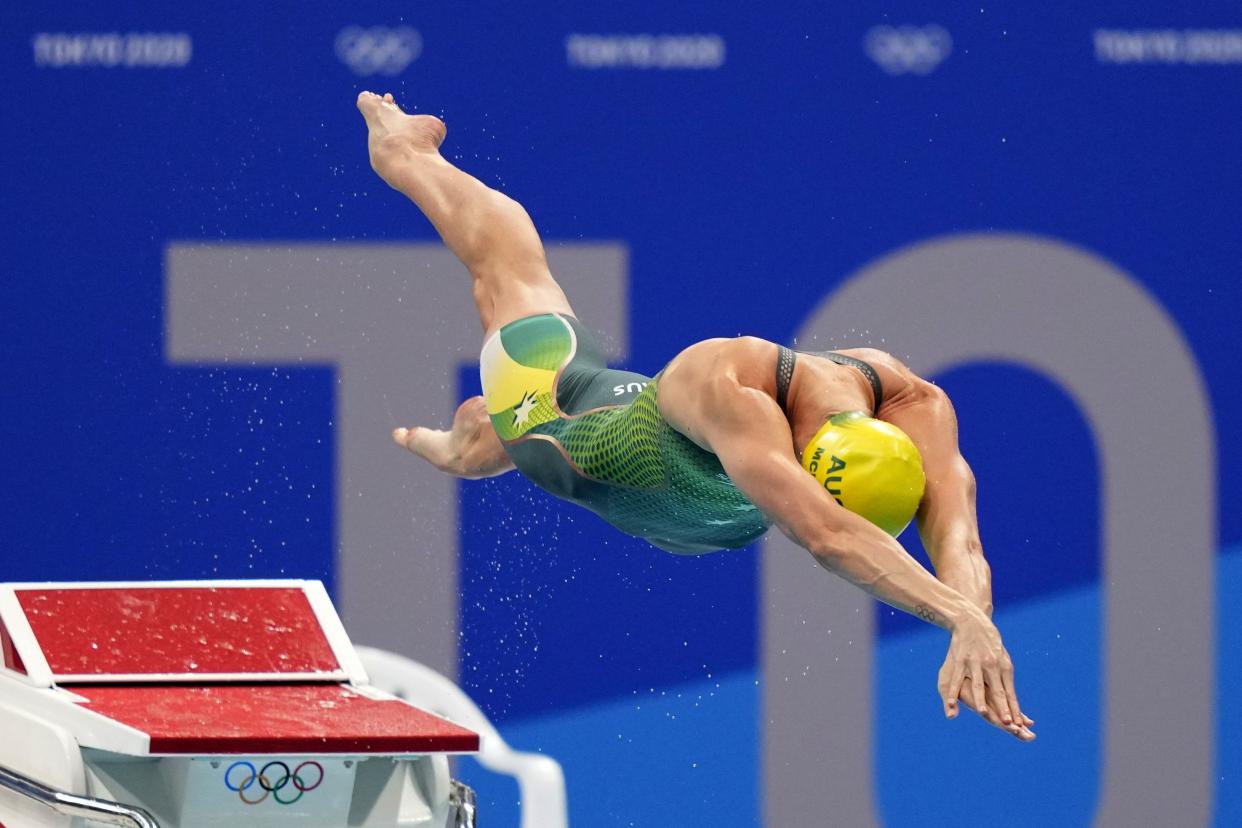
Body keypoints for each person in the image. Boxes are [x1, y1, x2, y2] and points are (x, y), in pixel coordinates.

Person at [357, 91, 1035, 741]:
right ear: (807, 449)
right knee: (507, 275)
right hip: (561, 420)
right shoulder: (725, 382)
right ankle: (405, 154)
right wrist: (952, 614)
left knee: (511, 407)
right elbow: (828, 537)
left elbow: (960, 544)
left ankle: (475, 438)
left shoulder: (914, 403)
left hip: (685, 500)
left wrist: (974, 624)